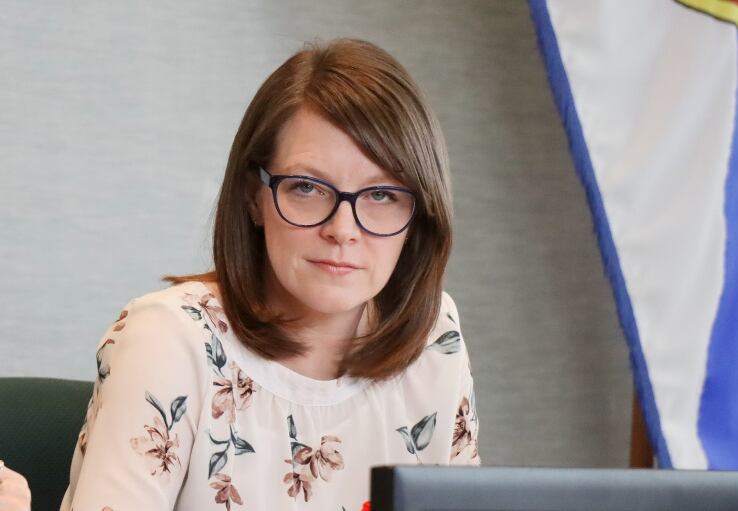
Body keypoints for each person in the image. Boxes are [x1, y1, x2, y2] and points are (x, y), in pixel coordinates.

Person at [61, 38, 479, 511]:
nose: (343, 230)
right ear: (252, 196)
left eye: (382, 195)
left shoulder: (434, 336)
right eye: (306, 187)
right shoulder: (169, 339)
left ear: (420, 212)